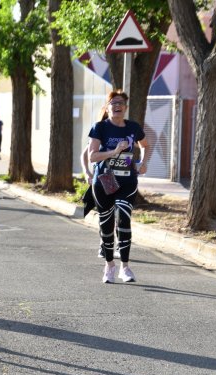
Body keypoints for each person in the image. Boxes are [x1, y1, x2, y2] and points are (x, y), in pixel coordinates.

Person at [88, 89, 149, 284]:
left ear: (125, 107)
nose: (117, 106)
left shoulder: (133, 127)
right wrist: (114, 151)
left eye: (120, 103)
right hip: (104, 182)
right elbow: (92, 156)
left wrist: (144, 163)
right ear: (107, 107)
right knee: (105, 224)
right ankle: (109, 265)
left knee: (124, 218)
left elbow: (146, 145)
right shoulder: (100, 128)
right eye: (113, 103)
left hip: (127, 181)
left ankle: (125, 266)